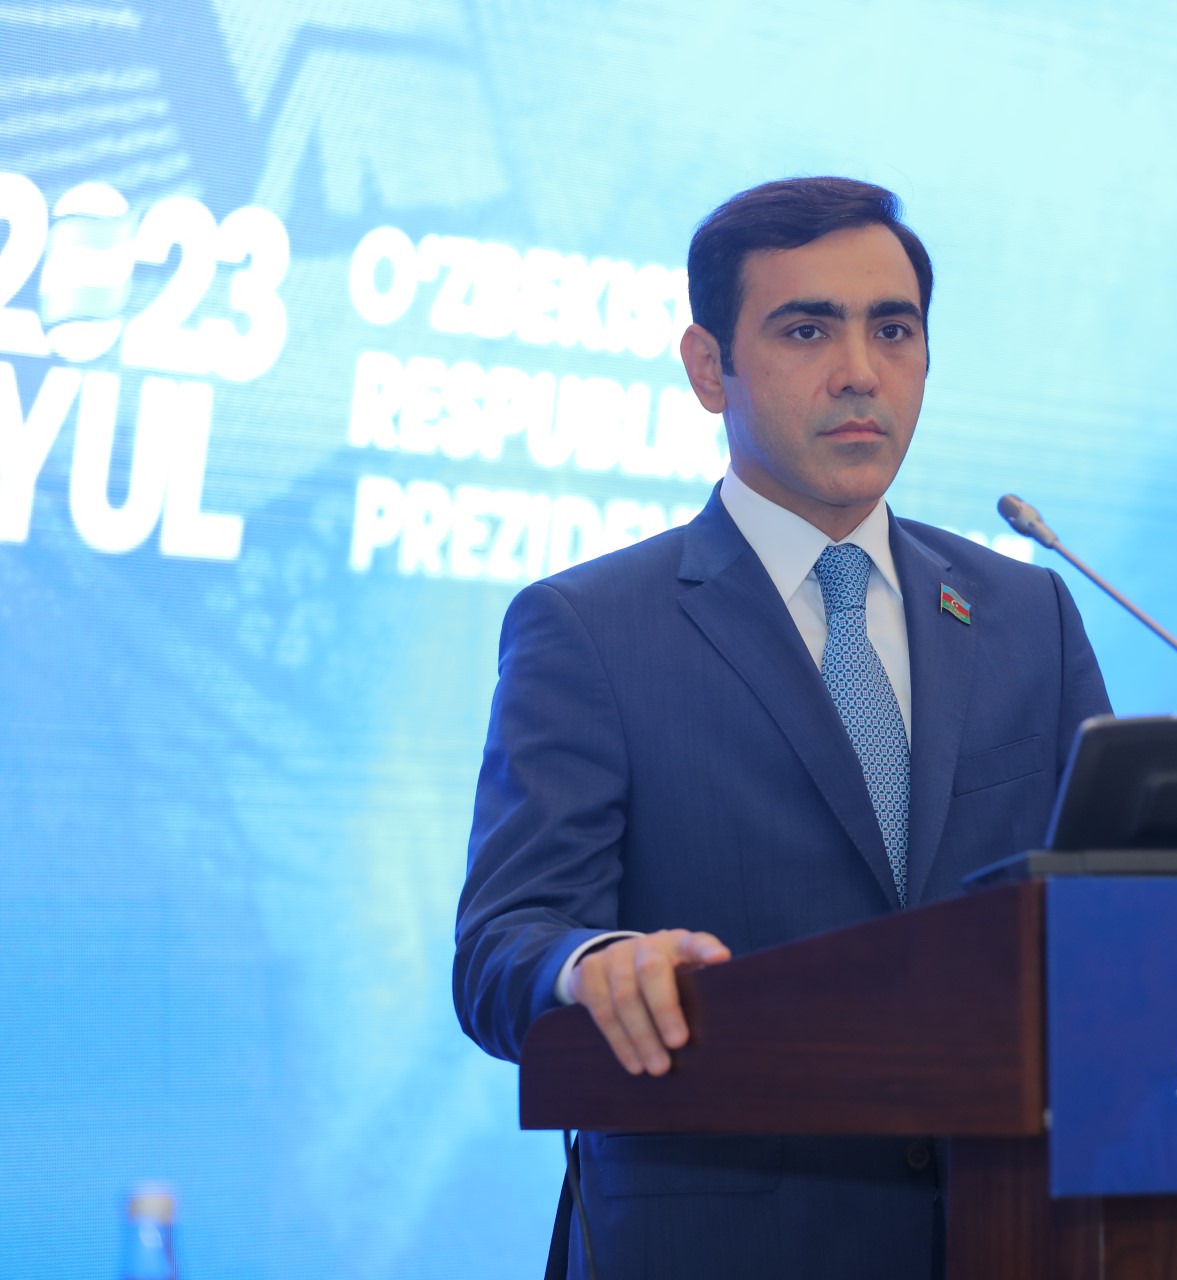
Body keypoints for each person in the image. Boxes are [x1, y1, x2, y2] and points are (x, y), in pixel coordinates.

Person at [453, 176, 1111, 1280]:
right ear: (709, 369)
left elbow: (1105, 913)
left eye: (893, 329)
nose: (860, 370)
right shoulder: (593, 627)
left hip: (1009, 1232)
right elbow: (500, 945)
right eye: (808, 329)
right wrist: (593, 963)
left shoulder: (1024, 611)